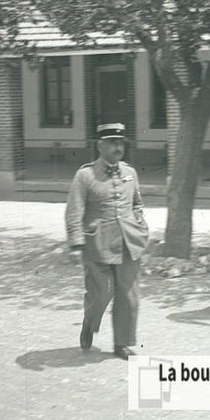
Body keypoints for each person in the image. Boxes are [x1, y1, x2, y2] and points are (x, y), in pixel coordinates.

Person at [66, 123, 149, 360]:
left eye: (120, 142)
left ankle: (121, 343)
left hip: (128, 243)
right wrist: (76, 244)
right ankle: (89, 323)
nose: (117, 147)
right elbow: (74, 210)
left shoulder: (130, 173)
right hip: (97, 245)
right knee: (101, 293)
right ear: (99, 145)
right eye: (112, 142)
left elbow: (137, 203)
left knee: (129, 295)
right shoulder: (85, 175)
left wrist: (140, 224)